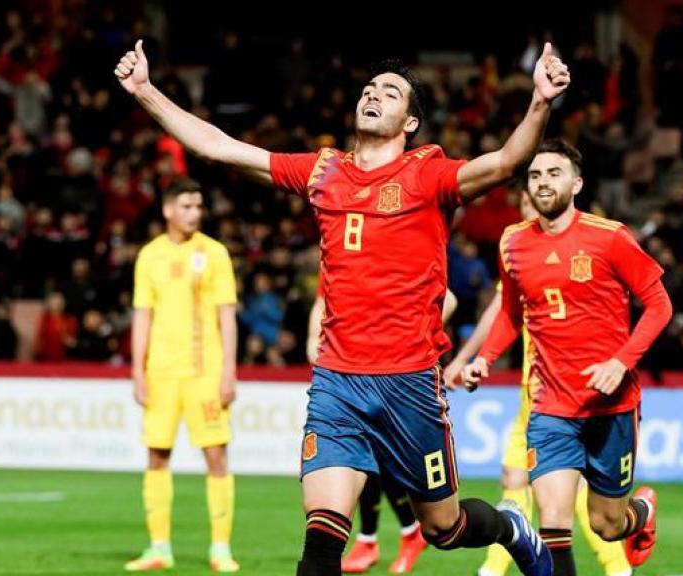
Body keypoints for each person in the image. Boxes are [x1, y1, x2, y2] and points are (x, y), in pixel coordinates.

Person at [115, 37, 571, 576]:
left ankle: (510, 527)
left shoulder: (428, 174)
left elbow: (507, 161)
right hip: (338, 383)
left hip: (410, 384)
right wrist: (145, 91)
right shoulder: (323, 171)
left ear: (410, 123)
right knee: (322, 538)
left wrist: (540, 102)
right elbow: (219, 147)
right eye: (369, 88)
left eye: (390, 92)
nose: (373, 94)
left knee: (444, 528)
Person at [463, 140, 673, 575]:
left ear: (576, 184)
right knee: (554, 523)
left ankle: (641, 512)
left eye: (553, 173)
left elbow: (659, 305)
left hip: (611, 406)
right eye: (535, 175)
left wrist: (621, 362)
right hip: (550, 406)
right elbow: (511, 312)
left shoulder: (610, 237)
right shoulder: (513, 242)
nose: (542, 182)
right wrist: (485, 357)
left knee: (606, 525)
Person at [445, 191, 633, 576]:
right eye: (525, 205)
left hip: (563, 395)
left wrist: (464, 359)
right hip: (533, 394)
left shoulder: (568, 256)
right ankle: (495, 567)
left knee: (569, 498)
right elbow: (504, 314)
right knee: (522, 483)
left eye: (533, 205)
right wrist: (473, 360)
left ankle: (616, 564)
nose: (529, 212)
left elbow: (500, 313)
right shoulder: (523, 254)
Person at [127, 178, 240, 572]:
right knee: (157, 455)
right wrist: (137, 370)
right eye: (187, 206)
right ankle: (159, 547)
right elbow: (143, 315)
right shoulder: (150, 256)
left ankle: (221, 549)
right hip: (160, 371)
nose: (194, 213)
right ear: (168, 210)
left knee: (216, 456)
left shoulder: (215, 253)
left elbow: (227, 316)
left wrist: (229, 371)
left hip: (205, 371)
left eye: (198, 206)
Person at [305, 290, 457, 574]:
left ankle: (397, 534)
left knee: (439, 519)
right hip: (350, 374)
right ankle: (375, 537)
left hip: (401, 378)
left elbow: (448, 298)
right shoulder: (341, 264)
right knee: (362, 462)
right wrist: (313, 339)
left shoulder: (409, 268)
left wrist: (415, 337)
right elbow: (323, 298)